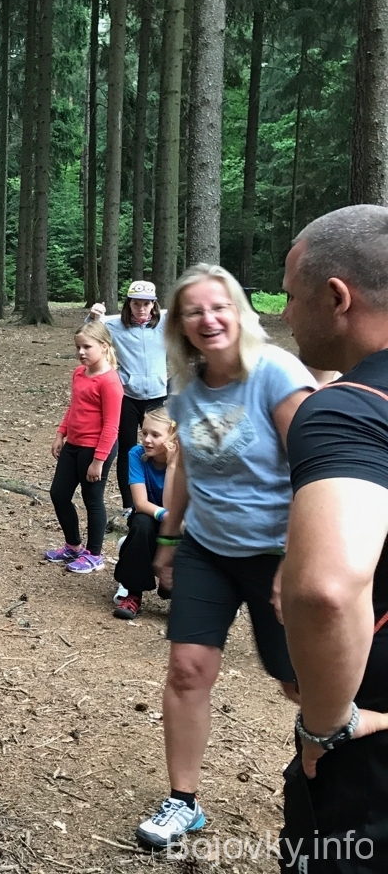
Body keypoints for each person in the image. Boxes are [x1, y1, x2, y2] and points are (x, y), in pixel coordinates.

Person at [134, 264, 314, 850]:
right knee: (187, 670)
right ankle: (183, 801)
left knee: (300, 684)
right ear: (180, 325)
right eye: (194, 311)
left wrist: (297, 559)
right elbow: (186, 465)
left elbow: (316, 468)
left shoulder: (278, 374)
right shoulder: (187, 390)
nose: (208, 319)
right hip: (207, 550)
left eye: (219, 307)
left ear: (239, 311)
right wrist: (168, 539)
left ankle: (337, 784)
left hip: (277, 553)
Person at [277, 205, 388, 872]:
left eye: (292, 296)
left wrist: (327, 724)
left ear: (337, 297)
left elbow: (326, 590)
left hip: (371, 768)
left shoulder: (349, 411)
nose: (287, 315)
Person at [45, 320, 123, 574]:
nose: (81, 352)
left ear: (104, 346)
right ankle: (73, 546)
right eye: (78, 347)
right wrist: (61, 433)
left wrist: (98, 460)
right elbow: (74, 407)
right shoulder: (79, 373)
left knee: (92, 499)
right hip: (74, 445)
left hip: (95, 449)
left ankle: (95, 554)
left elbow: (111, 426)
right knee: (59, 494)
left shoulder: (109, 382)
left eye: (87, 347)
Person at [88, 280, 168, 507]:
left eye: (146, 304)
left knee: (161, 448)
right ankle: (128, 504)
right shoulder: (114, 326)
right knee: (127, 450)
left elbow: (188, 314)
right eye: (136, 304)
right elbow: (91, 333)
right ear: (129, 304)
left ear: (154, 305)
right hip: (127, 397)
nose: (141, 309)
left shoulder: (164, 323)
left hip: (157, 396)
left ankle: (160, 501)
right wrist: (93, 316)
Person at [112, 407, 178, 620]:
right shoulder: (136, 454)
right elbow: (140, 503)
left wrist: (172, 465)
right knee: (141, 523)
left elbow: (173, 505)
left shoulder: (185, 459)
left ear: (172, 437)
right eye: (144, 433)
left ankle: (177, 593)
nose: (147, 440)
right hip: (152, 517)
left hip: (179, 523)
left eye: (156, 435)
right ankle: (133, 593)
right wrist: (165, 516)